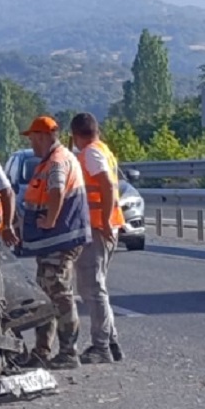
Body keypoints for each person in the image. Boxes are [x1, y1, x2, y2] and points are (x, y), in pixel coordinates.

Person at [18, 115, 92, 370]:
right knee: (45, 295)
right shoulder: (54, 159)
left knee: (59, 294)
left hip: (61, 239)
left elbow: (57, 190)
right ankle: (42, 351)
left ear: (43, 136)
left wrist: (49, 221)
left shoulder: (58, 161)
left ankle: (68, 353)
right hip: (53, 241)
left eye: (33, 138)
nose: (31, 144)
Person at [69, 113, 126, 364]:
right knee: (94, 286)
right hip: (103, 226)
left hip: (98, 228)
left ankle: (101, 346)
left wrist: (103, 220)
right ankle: (110, 343)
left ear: (75, 135)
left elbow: (107, 185)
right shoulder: (102, 150)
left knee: (92, 288)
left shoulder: (91, 153)